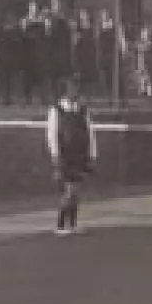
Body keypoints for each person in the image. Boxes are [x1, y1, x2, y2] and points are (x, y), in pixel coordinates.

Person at [46, 77, 98, 235]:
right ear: (66, 91)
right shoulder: (56, 110)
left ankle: (73, 224)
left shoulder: (83, 110)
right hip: (65, 156)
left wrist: (92, 154)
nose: (74, 92)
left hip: (80, 155)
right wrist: (55, 155)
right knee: (69, 191)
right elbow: (52, 134)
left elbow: (90, 132)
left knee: (76, 192)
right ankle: (60, 225)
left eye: (76, 89)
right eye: (71, 89)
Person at [74, 9, 99, 97]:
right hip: (81, 54)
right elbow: (76, 43)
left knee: (90, 76)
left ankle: (90, 94)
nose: (82, 18)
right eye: (81, 16)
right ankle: (81, 94)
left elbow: (95, 41)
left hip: (90, 54)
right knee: (82, 77)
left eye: (84, 15)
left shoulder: (92, 28)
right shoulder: (78, 30)